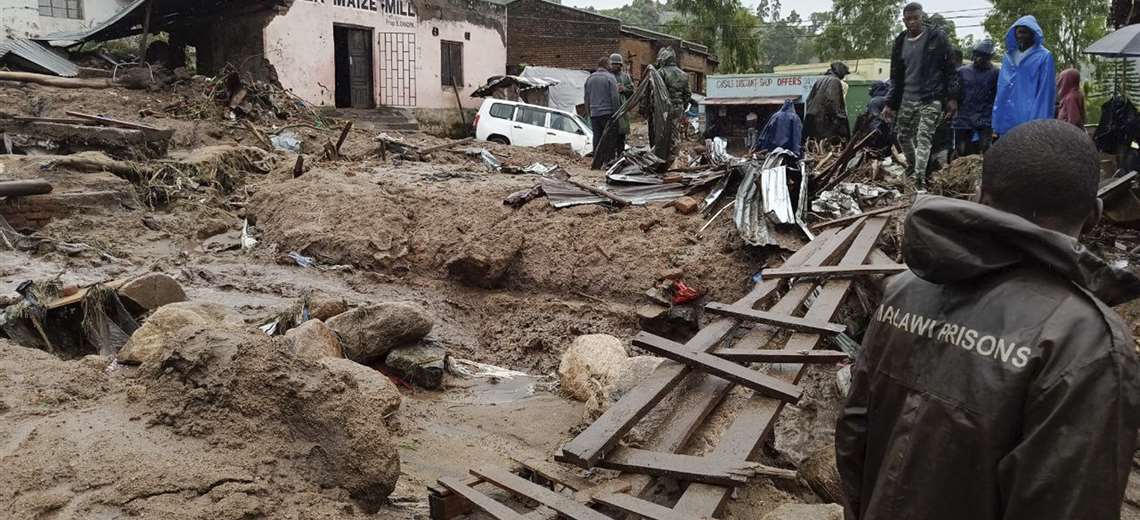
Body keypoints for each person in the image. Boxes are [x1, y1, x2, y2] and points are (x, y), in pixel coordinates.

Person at [836, 119, 1140, 520]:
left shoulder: (905, 291)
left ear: (980, 194)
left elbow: (854, 434)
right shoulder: (1087, 344)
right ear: (1095, 215)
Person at [883, 3, 959, 192]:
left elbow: (950, 69)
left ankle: (919, 181)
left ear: (922, 16)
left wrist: (952, 97)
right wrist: (891, 104)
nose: (912, 22)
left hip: (931, 96)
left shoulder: (937, 38)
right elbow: (895, 76)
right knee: (903, 135)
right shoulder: (900, 41)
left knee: (924, 137)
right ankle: (913, 168)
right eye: (908, 19)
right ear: (904, 20)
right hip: (907, 97)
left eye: (916, 17)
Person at [993, 15, 1056, 136]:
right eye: (1019, 32)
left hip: (1029, 116)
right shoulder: (1009, 57)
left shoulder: (1044, 56)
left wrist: (1039, 121)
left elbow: (1045, 91)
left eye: (1025, 32)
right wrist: (997, 119)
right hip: (1007, 117)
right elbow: (1001, 89)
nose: (1021, 36)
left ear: (1033, 34)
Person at [642, 46, 691, 170]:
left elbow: (655, 93)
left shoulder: (660, 73)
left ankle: (662, 161)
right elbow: (688, 94)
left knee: (661, 135)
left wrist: (651, 108)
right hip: (678, 108)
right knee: (675, 135)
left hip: (663, 110)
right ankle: (672, 161)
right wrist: (682, 106)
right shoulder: (684, 75)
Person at [952, 39, 999, 156]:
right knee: (961, 151)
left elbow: (998, 95)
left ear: (990, 57)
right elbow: (954, 93)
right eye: (977, 55)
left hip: (985, 117)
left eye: (984, 56)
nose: (979, 59)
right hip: (964, 116)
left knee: (985, 150)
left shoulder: (995, 73)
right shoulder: (962, 72)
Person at [583, 56, 620, 161]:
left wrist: (588, 112)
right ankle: (608, 161)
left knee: (597, 137)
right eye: (609, 64)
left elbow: (586, 97)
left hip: (594, 114)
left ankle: (596, 161)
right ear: (606, 65)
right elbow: (614, 97)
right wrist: (616, 113)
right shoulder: (610, 77)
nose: (611, 66)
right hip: (608, 113)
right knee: (609, 138)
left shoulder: (590, 78)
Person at [805, 62, 851, 145]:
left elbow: (809, 100)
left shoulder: (819, 80)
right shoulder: (835, 81)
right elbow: (835, 104)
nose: (844, 76)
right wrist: (844, 125)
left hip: (812, 121)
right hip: (826, 123)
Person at [610, 53, 634, 153]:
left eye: (617, 64)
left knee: (621, 134)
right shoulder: (607, 76)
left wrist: (623, 89)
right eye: (613, 64)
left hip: (622, 108)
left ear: (620, 65)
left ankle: (620, 155)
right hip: (610, 108)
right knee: (610, 135)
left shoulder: (625, 77)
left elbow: (632, 90)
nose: (615, 66)